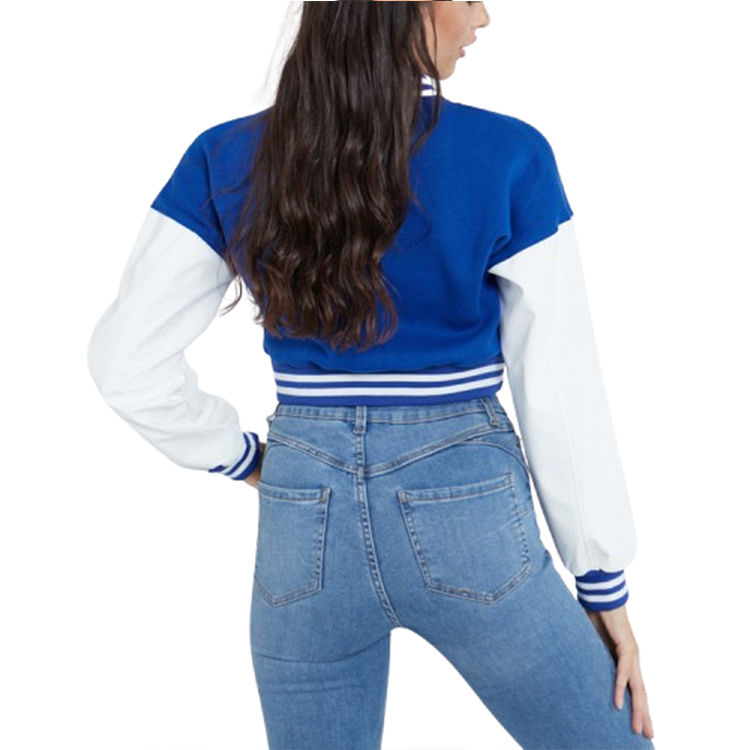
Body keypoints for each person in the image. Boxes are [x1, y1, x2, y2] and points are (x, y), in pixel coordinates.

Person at [87, 2, 656, 748]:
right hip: (466, 511)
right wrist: (602, 585)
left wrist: (245, 458)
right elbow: (559, 386)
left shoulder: (225, 156)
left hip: (303, 519)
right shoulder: (509, 154)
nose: (483, 17)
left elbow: (125, 359)